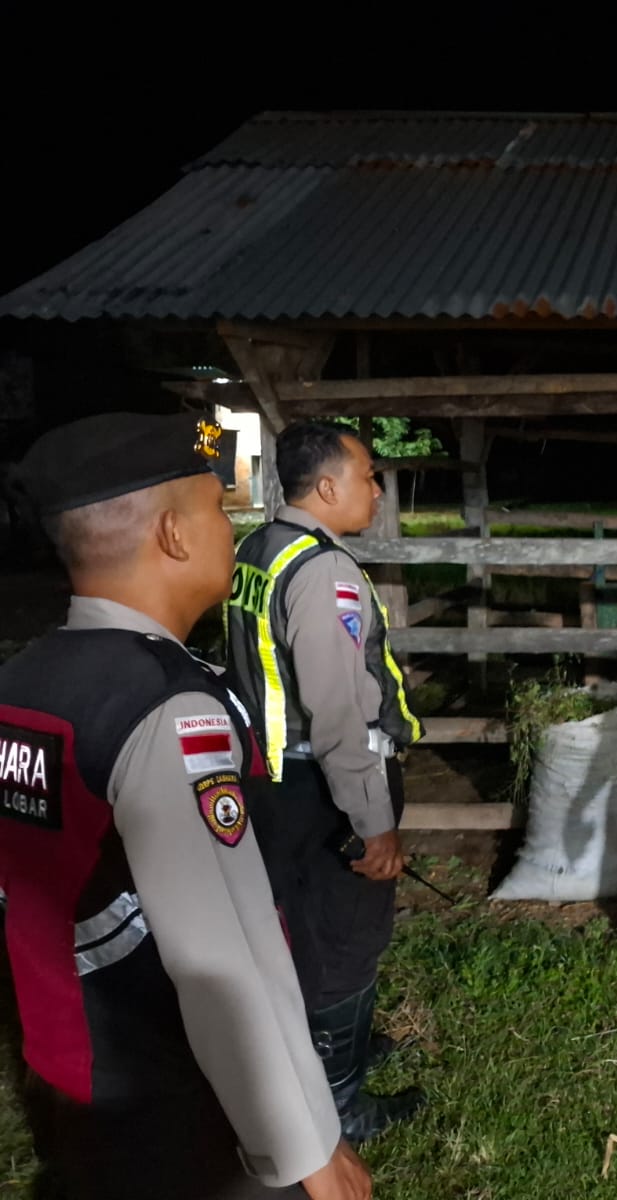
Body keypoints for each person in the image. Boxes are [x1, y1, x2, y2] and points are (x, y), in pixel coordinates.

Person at [0, 412, 370, 1200]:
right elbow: (222, 958)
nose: (231, 530)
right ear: (172, 535)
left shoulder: (24, 680)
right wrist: (304, 1148)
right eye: (215, 510)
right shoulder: (167, 707)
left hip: (68, 1064)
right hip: (179, 1094)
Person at [225, 421, 424, 1142]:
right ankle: (339, 1106)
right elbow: (338, 712)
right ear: (329, 486)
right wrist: (374, 822)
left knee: (302, 927)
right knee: (345, 939)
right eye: (368, 476)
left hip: (276, 778)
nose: (377, 490)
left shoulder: (259, 550)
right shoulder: (323, 572)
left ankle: (337, 1047)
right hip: (326, 787)